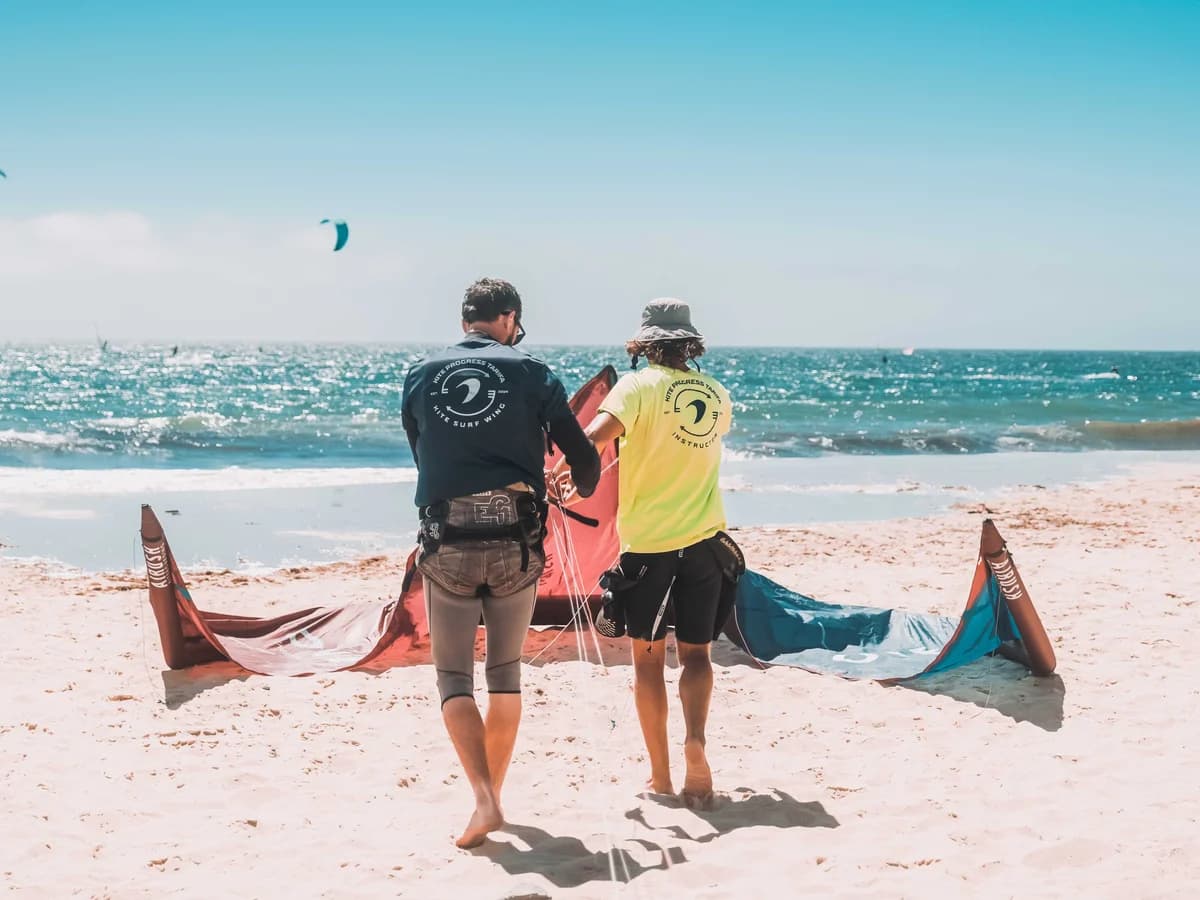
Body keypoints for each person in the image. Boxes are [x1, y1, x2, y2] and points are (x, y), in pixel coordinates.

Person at [401, 278, 600, 848]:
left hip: (448, 541)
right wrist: (580, 487)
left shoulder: (420, 373)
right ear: (509, 318)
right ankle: (491, 798)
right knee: (504, 674)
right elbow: (582, 457)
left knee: (453, 677)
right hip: (516, 540)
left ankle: (484, 800)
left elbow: (422, 452)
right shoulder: (532, 371)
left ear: (465, 319)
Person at [551, 298, 733, 809]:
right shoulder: (717, 393)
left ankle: (660, 776)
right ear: (690, 343)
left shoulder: (636, 386)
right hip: (705, 543)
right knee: (697, 655)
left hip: (648, 548)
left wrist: (565, 471)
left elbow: (593, 438)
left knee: (648, 663)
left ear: (645, 342)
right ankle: (695, 738)